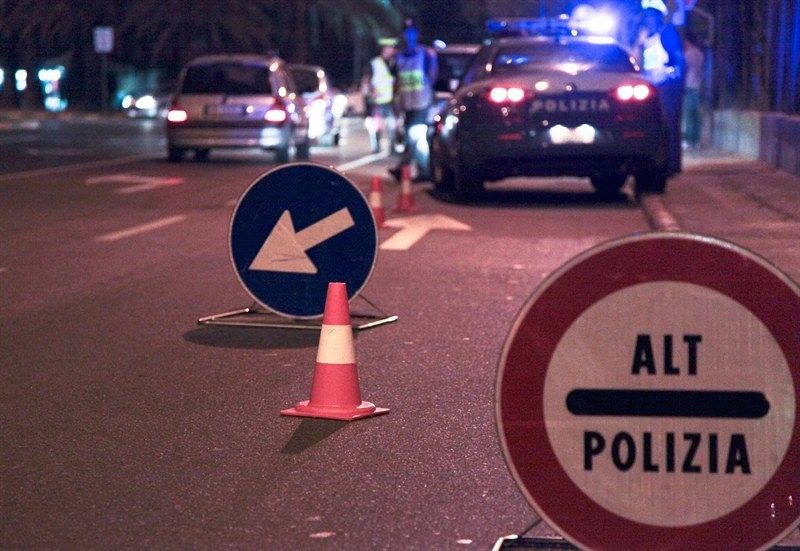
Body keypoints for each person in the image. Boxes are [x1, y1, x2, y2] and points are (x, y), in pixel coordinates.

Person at [635, 0, 686, 176]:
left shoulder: (667, 33)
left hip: (667, 86)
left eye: (650, 17)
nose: (647, 21)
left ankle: (671, 164)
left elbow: (678, 59)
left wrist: (676, 79)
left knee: (669, 125)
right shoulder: (648, 38)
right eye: (646, 18)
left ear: (657, 18)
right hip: (654, 87)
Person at [389, 18, 438, 181]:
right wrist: (395, 104)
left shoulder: (426, 54)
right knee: (416, 138)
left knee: (413, 135)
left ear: (417, 34)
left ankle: (405, 167)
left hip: (422, 103)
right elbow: (397, 81)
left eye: (412, 32)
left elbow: (432, 77)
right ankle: (424, 171)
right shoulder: (399, 57)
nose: (409, 36)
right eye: (406, 32)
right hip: (407, 104)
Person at [364, 39, 397, 154]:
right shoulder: (374, 63)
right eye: (390, 48)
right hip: (377, 101)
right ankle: (376, 147)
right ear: (384, 49)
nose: (392, 50)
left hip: (390, 101)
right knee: (377, 126)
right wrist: (371, 92)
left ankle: (392, 147)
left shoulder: (393, 63)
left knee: (392, 125)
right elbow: (367, 80)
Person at [682, 32, 704, 150]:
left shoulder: (687, 54)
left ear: (688, 41)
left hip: (689, 86)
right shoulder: (700, 54)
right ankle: (696, 140)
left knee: (689, 114)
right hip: (698, 85)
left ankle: (689, 140)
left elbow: (684, 69)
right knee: (696, 115)